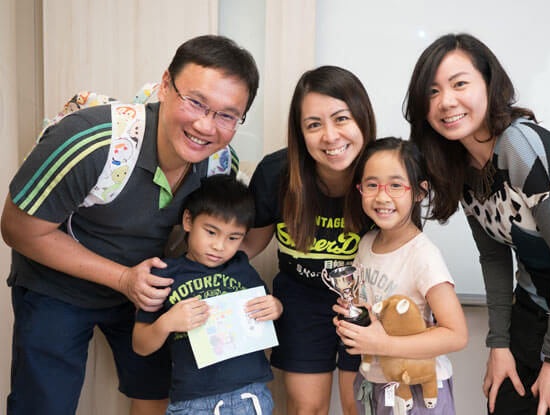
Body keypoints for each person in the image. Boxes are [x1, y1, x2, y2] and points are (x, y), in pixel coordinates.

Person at [1, 35, 259, 414]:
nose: (206, 126)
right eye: (195, 102)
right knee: (44, 403)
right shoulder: (91, 139)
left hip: (146, 292)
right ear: (166, 85)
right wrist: (123, 278)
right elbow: (17, 228)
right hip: (57, 285)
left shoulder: (221, 165)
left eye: (227, 115)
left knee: (158, 394)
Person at [404, 33, 550, 415]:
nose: (446, 101)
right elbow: (495, 260)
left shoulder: (520, 145)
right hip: (535, 306)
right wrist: (499, 345)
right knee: (502, 404)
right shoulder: (460, 165)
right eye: (431, 91)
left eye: (459, 83)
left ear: (489, 84)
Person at [242, 65, 376, 415]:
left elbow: (404, 249)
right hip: (299, 301)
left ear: (362, 117)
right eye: (314, 125)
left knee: (359, 408)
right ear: (300, 133)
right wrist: (191, 266)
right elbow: (248, 246)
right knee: (306, 408)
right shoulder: (276, 173)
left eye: (341, 118)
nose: (330, 136)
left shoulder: (387, 171)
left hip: (369, 301)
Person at [334, 137, 468, 415]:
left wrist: (383, 344)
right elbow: (372, 309)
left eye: (396, 185)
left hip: (419, 388)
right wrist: (354, 319)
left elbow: (456, 335)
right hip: (376, 384)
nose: (382, 196)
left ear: (419, 192)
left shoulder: (423, 255)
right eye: (372, 185)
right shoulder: (365, 244)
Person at [132, 175, 282, 415]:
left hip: (250, 396)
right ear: (188, 220)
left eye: (233, 238)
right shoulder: (163, 275)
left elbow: (267, 310)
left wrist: (275, 307)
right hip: (193, 403)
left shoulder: (242, 268)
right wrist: (167, 322)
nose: (220, 246)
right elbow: (140, 345)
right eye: (211, 232)